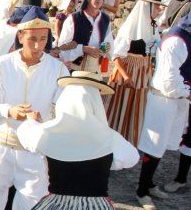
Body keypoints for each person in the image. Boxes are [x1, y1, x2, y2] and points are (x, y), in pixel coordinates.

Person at [0, 7, 69, 209]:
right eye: (32, 39)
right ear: (20, 36)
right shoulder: (2, 65)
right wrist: (8, 110)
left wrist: (46, 120)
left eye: (43, 38)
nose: (39, 45)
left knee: (35, 203)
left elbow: (64, 107)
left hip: (34, 152)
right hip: (1, 146)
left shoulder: (57, 69)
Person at [17, 71, 139, 209]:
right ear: (95, 102)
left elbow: (25, 136)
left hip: (56, 205)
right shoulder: (110, 137)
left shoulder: (48, 132)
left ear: (65, 100)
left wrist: (32, 121)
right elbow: (131, 158)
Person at [135, 13, 191, 209]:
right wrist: (188, 92)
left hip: (177, 99)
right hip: (164, 99)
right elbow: (169, 81)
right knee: (154, 145)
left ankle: (149, 184)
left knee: (163, 145)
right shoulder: (176, 41)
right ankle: (141, 191)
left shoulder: (186, 37)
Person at [105, 0, 164, 146]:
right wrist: (126, 76)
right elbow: (116, 56)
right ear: (147, 8)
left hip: (143, 72)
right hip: (129, 71)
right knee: (120, 107)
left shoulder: (153, 26)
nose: (159, 10)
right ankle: (112, 141)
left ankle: (129, 141)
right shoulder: (130, 28)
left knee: (137, 108)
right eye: (156, 7)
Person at [58, 0, 114, 73]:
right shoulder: (73, 19)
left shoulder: (105, 19)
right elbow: (62, 47)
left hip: (93, 70)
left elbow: (109, 41)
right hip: (73, 69)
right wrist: (83, 49)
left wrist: (106, 47)